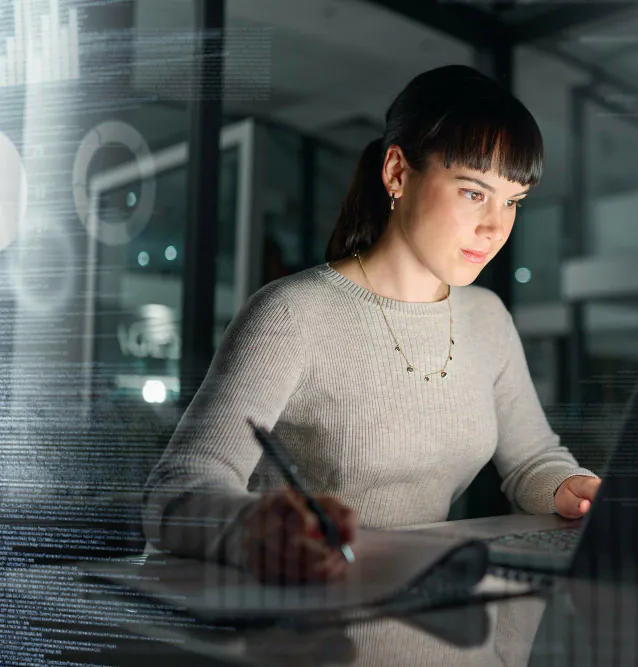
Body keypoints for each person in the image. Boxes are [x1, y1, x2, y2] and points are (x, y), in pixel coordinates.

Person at [141, 64, 601, 585]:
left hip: (432, 609)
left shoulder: (486, 317)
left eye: (512, 201)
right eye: (473, 192)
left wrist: (572, 486)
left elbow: (532, 460)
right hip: (311, 619)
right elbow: (177, 491)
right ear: (398, 173)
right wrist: (251, 527)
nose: (496, 226)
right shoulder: (293, 314)